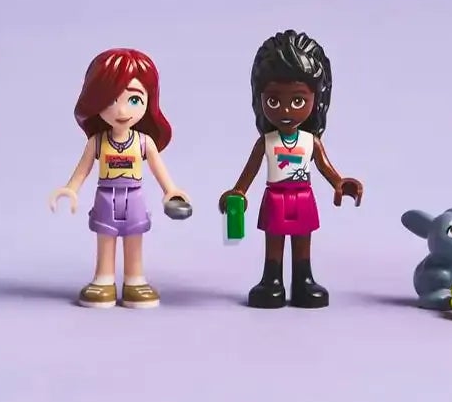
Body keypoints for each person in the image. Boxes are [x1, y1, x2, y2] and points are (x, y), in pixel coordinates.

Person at [219, 30, 363, 308]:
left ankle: (303, 281)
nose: (286, 110)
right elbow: (249, 172)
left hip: (302, 197)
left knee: (302, 239)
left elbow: (325, 167)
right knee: (274, 240)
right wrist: (237, 192)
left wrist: (339, 182)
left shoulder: (310, 142)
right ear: (260, 98)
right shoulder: (266, 142)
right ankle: (271, 280)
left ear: (315, 99)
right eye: (274, 100)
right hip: (275, 197)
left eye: (298, 101)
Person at [49, 48, 191, 308]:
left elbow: (159, 171)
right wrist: (71, 189)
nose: (122, 110)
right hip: (106, 196)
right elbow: (82, 170)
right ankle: (103, 279)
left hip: (134, 196)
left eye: (134, 99)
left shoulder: (144, 142)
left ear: (149, 101)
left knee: (134, 237)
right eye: (111, 100)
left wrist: (171, 191)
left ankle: (135, 280)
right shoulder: (97, 142)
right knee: (105, 237)